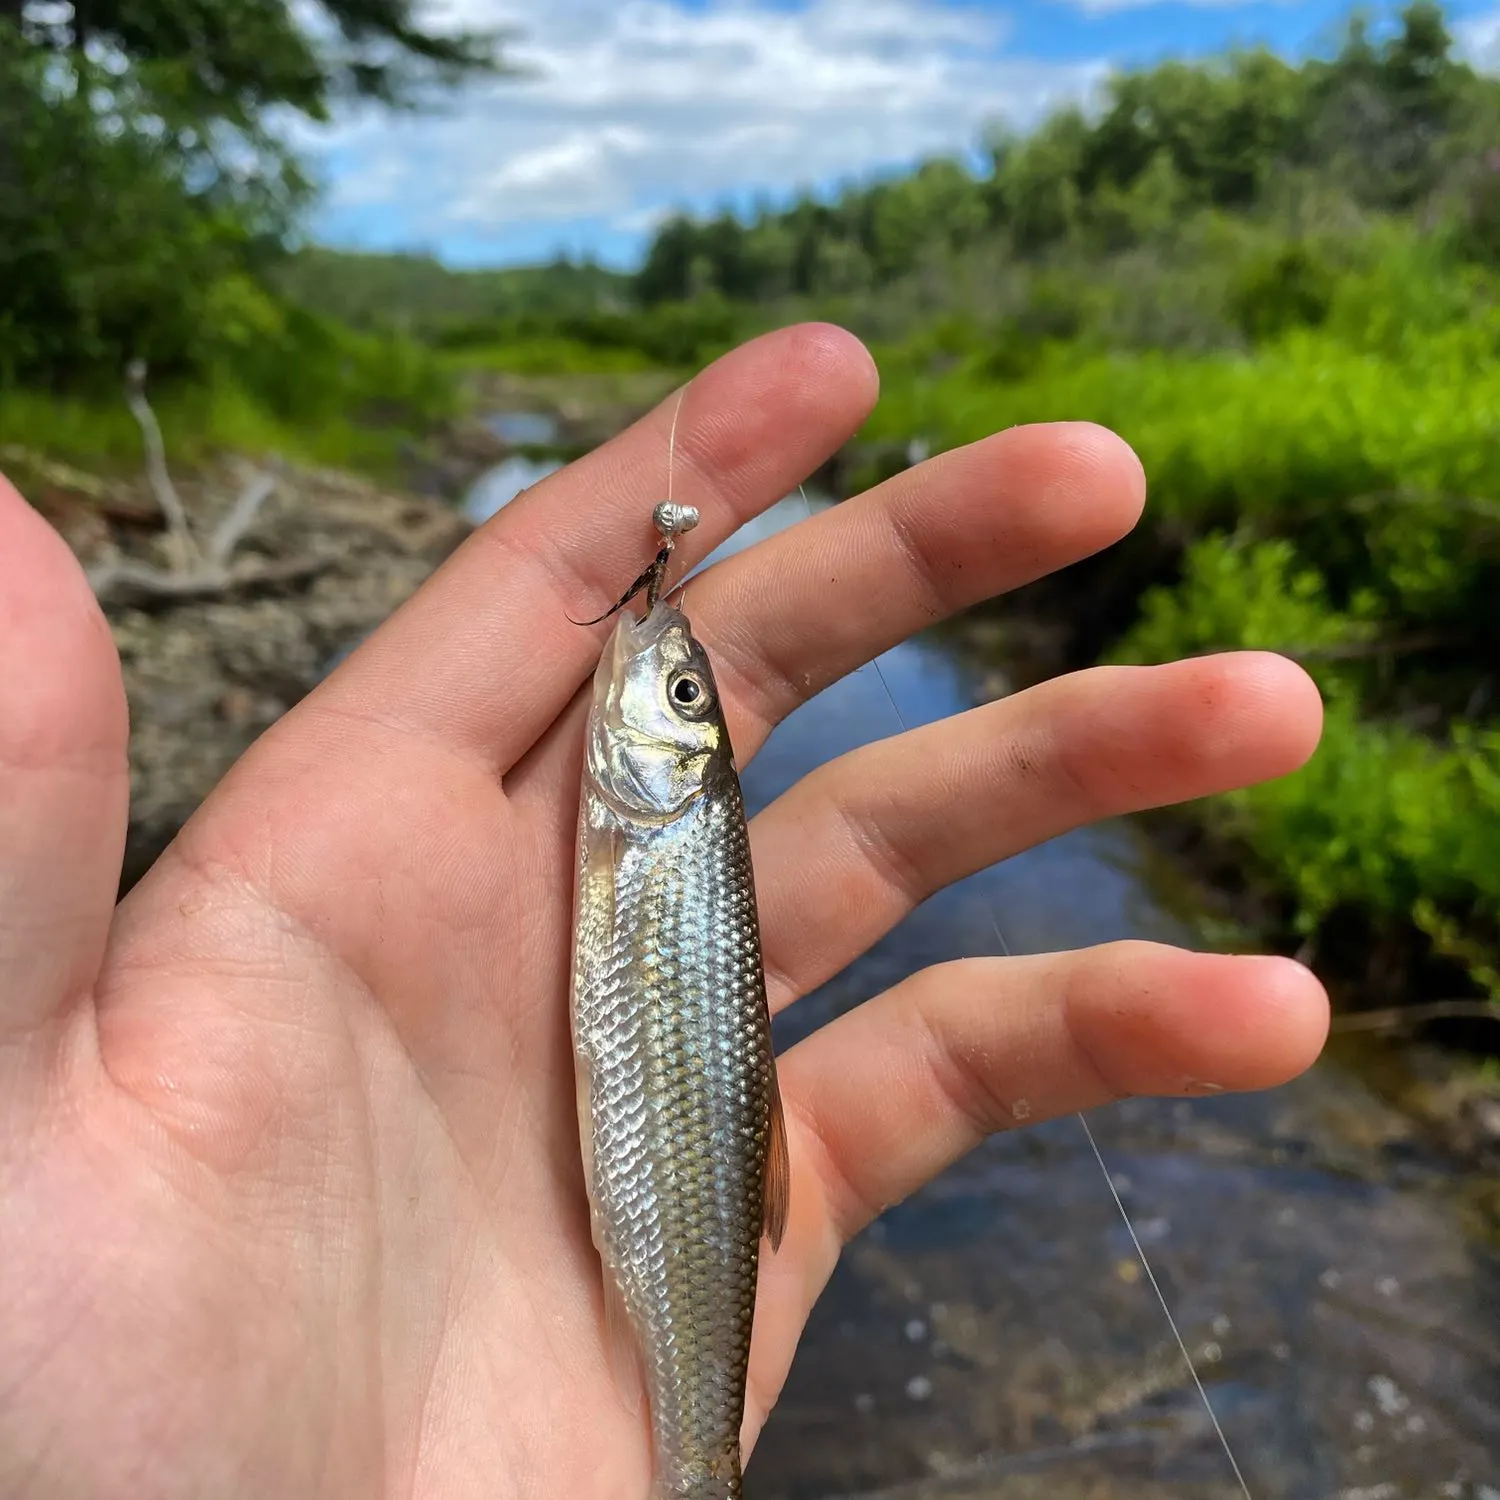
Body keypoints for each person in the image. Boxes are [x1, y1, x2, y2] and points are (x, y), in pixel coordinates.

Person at [0, 326, 1327, 1497]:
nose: (664, 675)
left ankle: (697, 1466)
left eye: (682, 699)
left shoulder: (661, 817)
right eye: (687, 697)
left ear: (677, 755)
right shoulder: (648, 809)